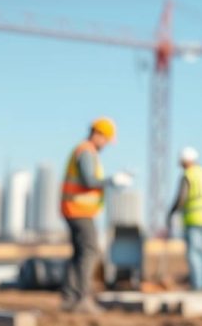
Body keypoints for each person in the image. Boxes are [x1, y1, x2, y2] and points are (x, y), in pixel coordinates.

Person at [59, 117, 130, 313]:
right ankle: (81, 299)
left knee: (79, 254)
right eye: (106, 140)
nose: (106, 145)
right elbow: (89, 180)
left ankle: (70, 298)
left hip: (75, 209)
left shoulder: (83, 151)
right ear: (98, 135)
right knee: (90, 251)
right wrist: (112, 181)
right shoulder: (87, 152)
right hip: (79, 210)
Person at [167, 146, 202, 290]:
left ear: (184, 161)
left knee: (194, 253)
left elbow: (181, 198)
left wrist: (171, 213)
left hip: (195, 220)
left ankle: (198, 285)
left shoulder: (188, 175)